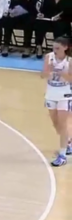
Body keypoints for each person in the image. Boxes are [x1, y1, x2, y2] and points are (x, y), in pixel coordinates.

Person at [43, 37, 72, 167]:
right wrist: (48, 70)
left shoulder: (69, 61)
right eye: (53, 48)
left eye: (57, 48)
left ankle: (62, 155)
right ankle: (68, 142)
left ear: (65, 48)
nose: (54, 50)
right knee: (56, 124)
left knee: (63, 124)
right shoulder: (49, 57)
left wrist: (60, 72)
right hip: (51, 93)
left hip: (65, 95)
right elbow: (42, 75)